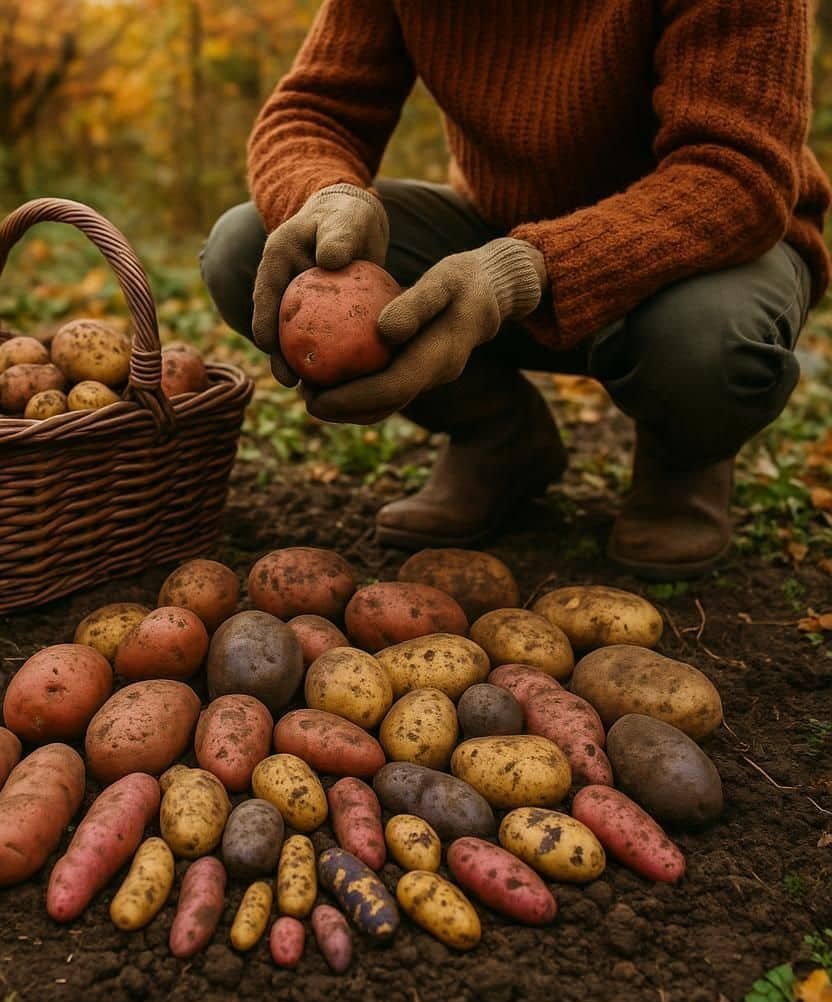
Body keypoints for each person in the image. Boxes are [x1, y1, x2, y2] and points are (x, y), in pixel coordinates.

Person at [199, 0, 831, 581]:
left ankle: (682, 463)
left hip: (710, 249)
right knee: (248, 247)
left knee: (705, 343)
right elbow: (316, 109)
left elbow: (735, 172)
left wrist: (527, 268)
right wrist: (326, 193)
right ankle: (501, 438)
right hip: (497, 226)